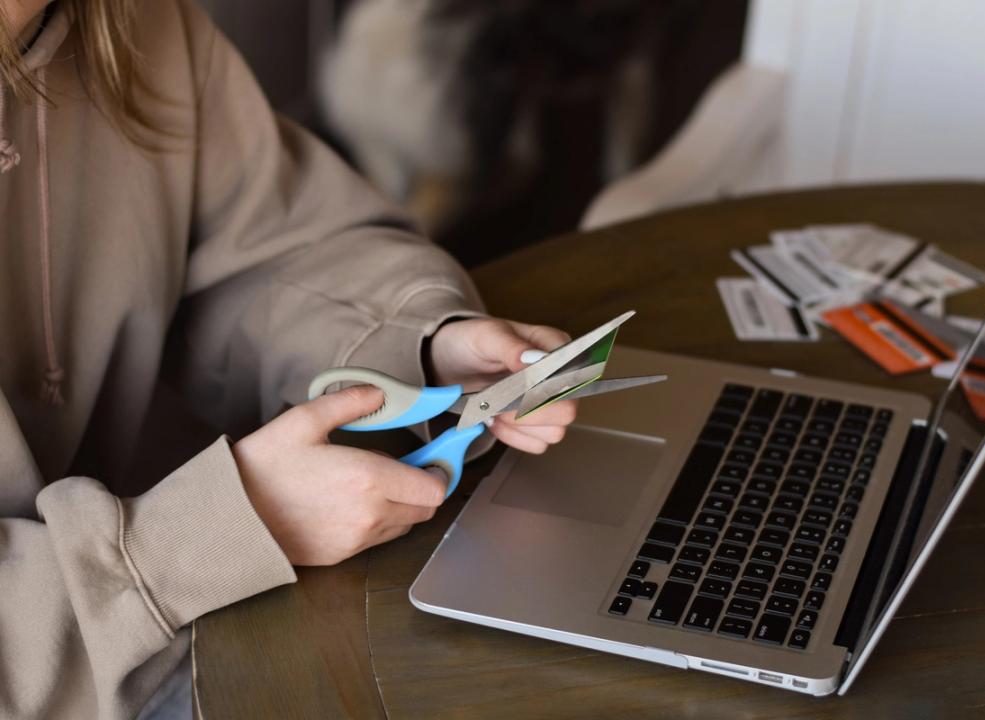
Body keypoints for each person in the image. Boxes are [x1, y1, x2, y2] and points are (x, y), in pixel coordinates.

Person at [0, 0, 577, 717]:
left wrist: (417, 347)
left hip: (167, 634)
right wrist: (223, 530)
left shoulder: (134, 22)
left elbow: (271, 244)